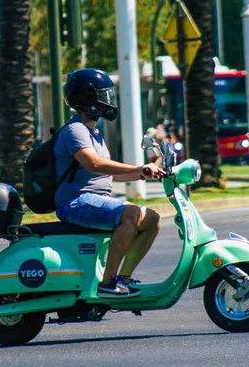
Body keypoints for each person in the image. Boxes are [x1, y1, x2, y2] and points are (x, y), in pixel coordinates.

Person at [54, 68, 166, 298]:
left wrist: (142, 174)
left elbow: (108, 173)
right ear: (88, 98)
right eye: (103, 95)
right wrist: (137, 168)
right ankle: (108, 282)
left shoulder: (92, 132)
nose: (108, 101)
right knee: (131, 214)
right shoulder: (75, 130)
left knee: (152, 219)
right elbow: (94, 165)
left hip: (94, 200)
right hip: (75, 202)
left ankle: (122, 279)